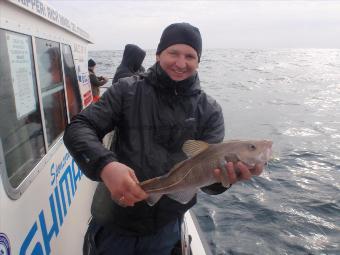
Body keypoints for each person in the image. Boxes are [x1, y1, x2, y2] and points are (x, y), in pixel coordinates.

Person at [64, 22, 264, 255]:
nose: (181, 63)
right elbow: (78, 128)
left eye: (190, 56)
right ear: (158, 54)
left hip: (166, 227)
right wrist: (106, 166)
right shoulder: (126, 90)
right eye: (173, 53)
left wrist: (225, 179)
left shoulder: (210, 110)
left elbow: (208, 183)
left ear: (198, 61)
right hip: (114, 220)